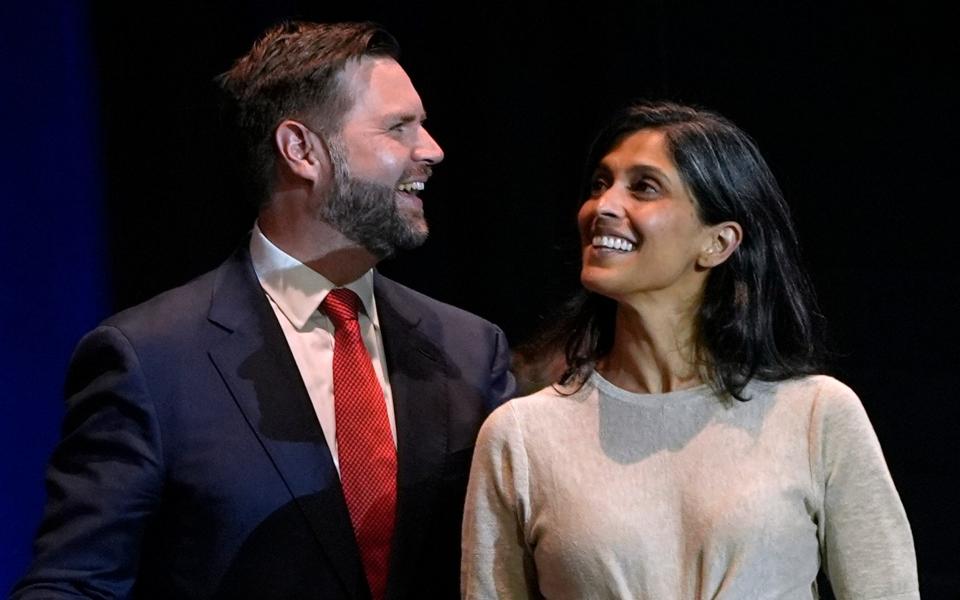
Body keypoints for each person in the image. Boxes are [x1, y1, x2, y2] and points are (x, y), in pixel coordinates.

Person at [13, 20, 515, 600]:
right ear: (301, 150)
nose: (431, 150)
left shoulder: (471, 350)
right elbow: (73, 585)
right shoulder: (149, 361)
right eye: (398, 128)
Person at [461, 100, 918, 599]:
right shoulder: (521, 437)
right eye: (599, 183)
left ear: (718, 242)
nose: (603, 206)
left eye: (644, 186)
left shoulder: (815, 414)